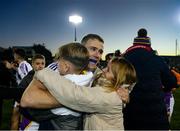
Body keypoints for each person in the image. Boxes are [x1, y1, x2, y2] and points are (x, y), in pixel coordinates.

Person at [21, 56, 137, 130]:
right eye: (106, 66)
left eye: (108, 70)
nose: (103, 70)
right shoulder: (112, 88)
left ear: (118, 78)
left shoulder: (108, 95)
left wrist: (44, 73)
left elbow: (74, 94)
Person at [22, 43, 93, 130]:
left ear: (66, 67)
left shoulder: (62, 87)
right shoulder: (86, 79)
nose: (56, 63)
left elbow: (27, 107)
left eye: (58, 59)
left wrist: (39, 75)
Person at [122, 28, 177, 130]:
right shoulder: (156, 58)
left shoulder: (124, 58)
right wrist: (162, 89)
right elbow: (172, 82)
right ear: (148, 44)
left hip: (130, 114)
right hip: (156, 116)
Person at [18, 54, 46, 130]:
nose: (40, 66)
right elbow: (19, 95)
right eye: (37, 64)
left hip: (44, 115)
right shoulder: (27, 79)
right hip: (30, 117)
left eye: (42, 63)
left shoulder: (47, 77)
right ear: (32, 65)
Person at [8, 48, 33, 130]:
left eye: (14, 54)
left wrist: (23, 98)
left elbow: (26, 80)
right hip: (24, 94)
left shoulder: (23, 65)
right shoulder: (25, 65)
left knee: (15, 118)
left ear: (17, 55)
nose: (13, 56)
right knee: (20, 118)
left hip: (22, 95)